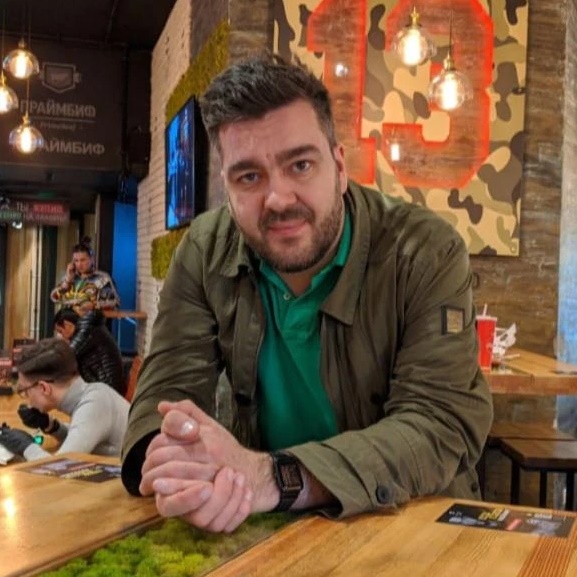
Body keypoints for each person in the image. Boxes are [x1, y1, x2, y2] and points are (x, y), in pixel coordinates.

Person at [121, 54, 493, 534]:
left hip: (412, 526)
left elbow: (438, 425)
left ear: (338, 167)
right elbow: (166, 391)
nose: (278, 198)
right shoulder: (204, 249)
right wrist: (175, 460)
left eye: (300, 165)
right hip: (268, 528)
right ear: (226, 188)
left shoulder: (425, 251)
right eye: (249, 176)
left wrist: (273, 477)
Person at [0, 338, 129, 461]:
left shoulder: (94, 405)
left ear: (44, 388)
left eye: (25, 391)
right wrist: (51, 426)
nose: (26, 399)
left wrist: (25, 446)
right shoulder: (95, 393)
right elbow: (80, 436)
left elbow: (61, 467)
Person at [54, 308, 126, 396]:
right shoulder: (89, 328)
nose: (62, 336)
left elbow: (66, 357)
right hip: (106, 386)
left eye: (61, 331)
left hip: (108, 390)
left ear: (67, 324)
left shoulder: (86, 331)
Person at [50, 236, 120, 313]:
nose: (79, 264)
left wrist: (93, 305)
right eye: (76, 261)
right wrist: (67, 281)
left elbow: (114, 303)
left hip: (90, 318)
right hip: (66, 318)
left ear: (92, 259)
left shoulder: (102, 279)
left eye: (83, 260)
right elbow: (54, 298)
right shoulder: (70, 277)